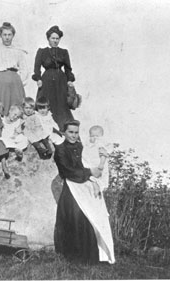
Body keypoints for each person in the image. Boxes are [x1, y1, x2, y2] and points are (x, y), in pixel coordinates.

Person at [53, 120, 115, 264]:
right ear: (64, 132)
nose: (74, 135)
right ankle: (72, 257)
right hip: (72, 188)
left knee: (89, 219)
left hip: (86, 186)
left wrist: (102, 160)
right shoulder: (61, 149)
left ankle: (92, 256)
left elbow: (95, 158)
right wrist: (90, 172)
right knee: (74, 219)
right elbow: (67, 170)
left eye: (76, 132)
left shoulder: (83, 146)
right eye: (71, 132)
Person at [32, 25, 75, 131]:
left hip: (61, 81)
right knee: (46, 103)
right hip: (46, 81)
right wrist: (38, 79)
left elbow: (68, 68)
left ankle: (62, 130)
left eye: (57, 38)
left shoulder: (64, 52)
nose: (55, 41)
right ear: (48, 39)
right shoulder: (42, 52)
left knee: (61, 105)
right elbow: (37, 68)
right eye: (53, 38)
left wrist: (69, 80)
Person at [0, 22, 28, 116]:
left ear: (13, 36)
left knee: (16, 110)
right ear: (0, 36)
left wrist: (18, 81)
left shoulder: (18, 51)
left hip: (15, 84)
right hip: (0, 84)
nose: (7, 37)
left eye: (9, 35)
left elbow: (24, 69)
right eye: (4, 35)